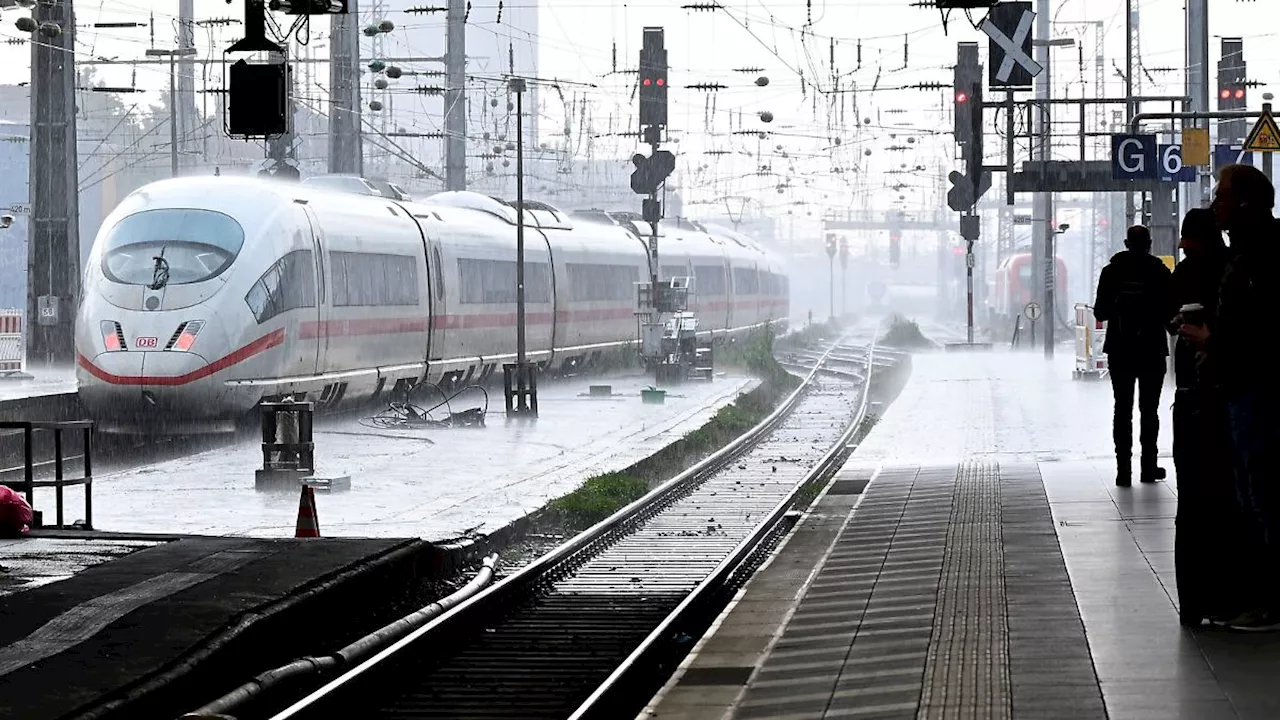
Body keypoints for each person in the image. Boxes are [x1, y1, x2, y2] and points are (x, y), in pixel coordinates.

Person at [1180, 163, 1280, 630]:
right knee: (1253, 496)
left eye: (1220, 195)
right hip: (1247, 387)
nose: (1214, 202)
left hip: (1259, 390)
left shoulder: (1260, 254)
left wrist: (1210, 340)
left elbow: (1258, 331)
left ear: (1242, 202)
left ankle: (1271, 605)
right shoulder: (1249, 250)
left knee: (1264, 497)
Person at [1166, 208, 1238, 627]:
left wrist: (1183, 322)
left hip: (1195, 393)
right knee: (1224, 498)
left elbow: (1169, 316)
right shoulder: (1232, 268)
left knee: (1193, 502)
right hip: (1222, 394)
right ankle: (1224, 596)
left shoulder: (1190, 274)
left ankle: (1195, 601)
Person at [1094, 225, 1173, 487]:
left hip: (1120, 349)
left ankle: (1123, 470)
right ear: (1149, 244)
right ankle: (1149, 467)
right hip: (1152, 349)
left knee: (1122, 409)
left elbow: (1099, 313)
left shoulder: (1111, 271)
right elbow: (1170, 315)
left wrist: (1120, 307)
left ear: (1126, 243)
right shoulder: (1159, 272)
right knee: (1149, 411)